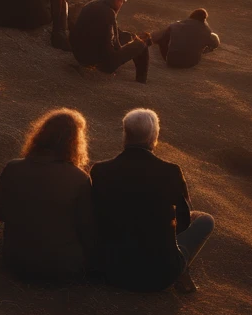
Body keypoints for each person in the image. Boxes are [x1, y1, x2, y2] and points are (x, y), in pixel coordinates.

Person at [91, 108, 214, 293]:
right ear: (154, 137)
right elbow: (183, 223)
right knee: (204, 219)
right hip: (159, 275)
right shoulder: (171, 171)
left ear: (125, 135)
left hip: (109, 271)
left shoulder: (100, 170)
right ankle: (180, 267)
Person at [0, 108, 96, 282]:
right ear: (75, 142)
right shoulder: (79, 178)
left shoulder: (13, 167)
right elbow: (86, 228)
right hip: (62, 267)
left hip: (16, 260)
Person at [70, 0, 149, 82]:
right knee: (142, 43)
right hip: (97, 62)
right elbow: (115, 47)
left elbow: (108, 33)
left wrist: (130, 38)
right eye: (121, 1)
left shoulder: (89, 5)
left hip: (79, 56)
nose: (121, 6)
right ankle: (141, 81)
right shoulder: (109, 13)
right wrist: (133, 45)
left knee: (131, 36)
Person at [154, 9, 220, 69]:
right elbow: (214, 43)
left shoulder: (175, 25)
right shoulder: (206, 31)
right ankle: (193, 54)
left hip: (171, 61)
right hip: (191, 63)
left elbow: (160, 38)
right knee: (211, 38)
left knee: (163, 38)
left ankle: (171, 54)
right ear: (204, 19)